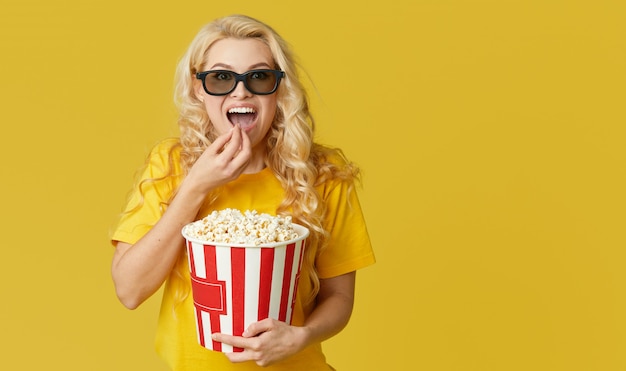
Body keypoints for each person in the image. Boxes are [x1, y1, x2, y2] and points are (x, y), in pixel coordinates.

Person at [110, 14, 375, 370]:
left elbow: (339, 297)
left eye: (259, 76)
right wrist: (196, 186)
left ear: (279, 88)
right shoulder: (170, 165)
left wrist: (302, 335)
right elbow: (129, 290)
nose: (240, 91)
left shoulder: (324, 176)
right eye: (221, 77)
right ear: (197, 88)